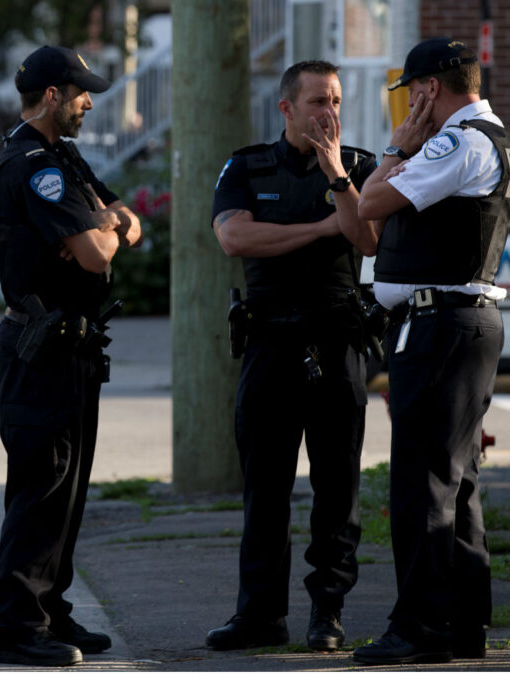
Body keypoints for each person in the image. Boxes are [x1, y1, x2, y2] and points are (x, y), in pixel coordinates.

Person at [352, 38, 510, 666]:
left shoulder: (459, 141)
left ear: (427, 88)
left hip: (440, 326)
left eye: (410, 91)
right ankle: (461, 623)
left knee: (422, 483)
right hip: (459, 325)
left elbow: (370, 204)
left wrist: (398, 146)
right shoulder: (487, 137)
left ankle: (420, 627)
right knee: (456, 481)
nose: (409, 103)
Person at [206, 60, 379, 653]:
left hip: (337, 340)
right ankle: (259, 616)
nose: (329, 112)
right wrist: (318, 228)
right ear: (286, 108)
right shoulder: (248, 165)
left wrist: (338, 184)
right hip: (271, 342)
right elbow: (234, 237)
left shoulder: (356, 166)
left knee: (337, 488)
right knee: (265, 489)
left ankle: (326, 614)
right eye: (316, 102)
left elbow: (368, 238)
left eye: (334, 100)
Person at [0, 45, 141, 667]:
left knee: (69, 491)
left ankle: (50, 611)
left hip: (74, 344)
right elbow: (100, 253)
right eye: (81, 92)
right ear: (52, 96)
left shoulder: (62, 156)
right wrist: (103, 231)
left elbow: (125, 220)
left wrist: (105, 226)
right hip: (39, 346)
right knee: (40, 489)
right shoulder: (31, 165)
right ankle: (17, 626)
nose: (90, 102)